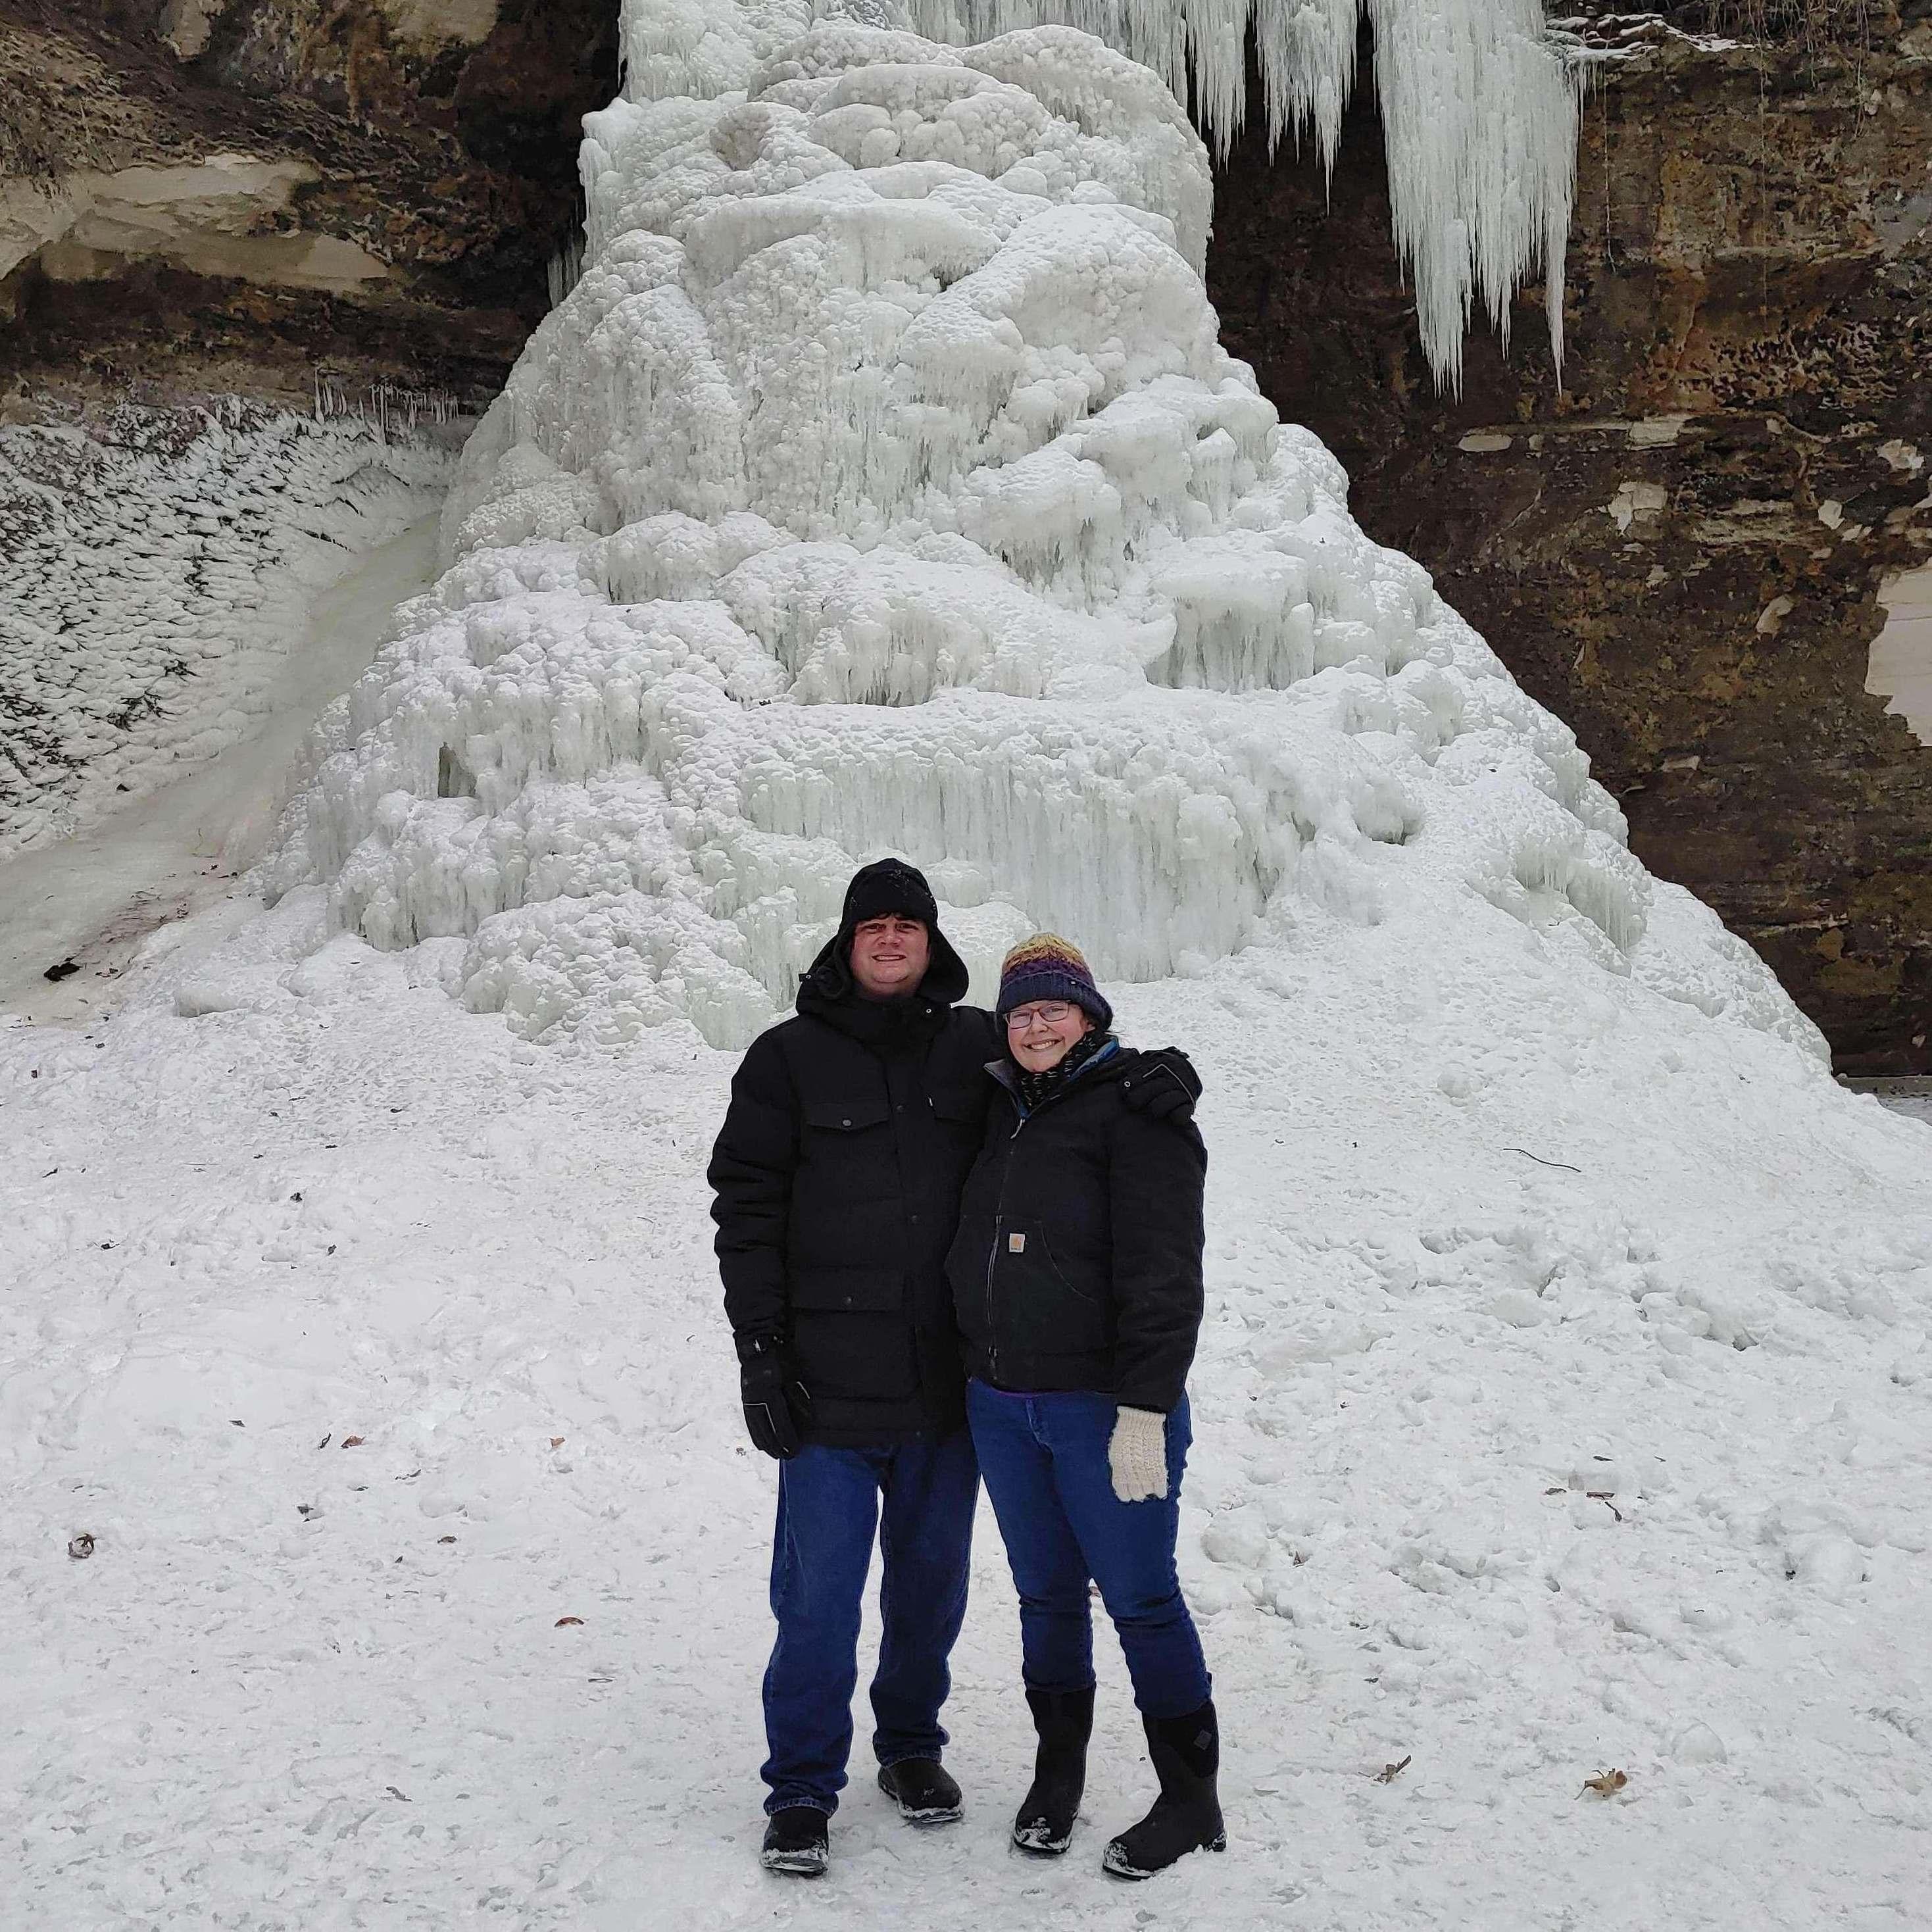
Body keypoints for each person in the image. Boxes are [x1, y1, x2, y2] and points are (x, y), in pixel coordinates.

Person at [708, 864, 1199, 1879]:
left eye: (909, 925)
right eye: (871, 925)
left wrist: (1161, 1077)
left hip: (946, 1391)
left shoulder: (976, 1043)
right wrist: (759, 1350)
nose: (890, 940)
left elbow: (1069, 1074)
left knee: (929, 1592)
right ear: (845, 943)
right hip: (826, 1393)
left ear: (934, 943)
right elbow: (744, 1210)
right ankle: (801, 1786)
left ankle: (910, 1748)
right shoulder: (784, 1059)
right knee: (816, 1603)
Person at [946, 933, 1221, 1881]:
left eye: (1053, 1008)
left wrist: (1143, 1407)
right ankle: (1056, 1769)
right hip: (998, 1403)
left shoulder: (1139, 1112)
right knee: (1043, 1595)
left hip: (1101, 1409)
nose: (1035, 1024)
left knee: (1141, 1600)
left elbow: (1165, 1277)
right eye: (1019, 1010)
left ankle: (1188, 1798)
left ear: (1089, 1017)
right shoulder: (996, 1107)